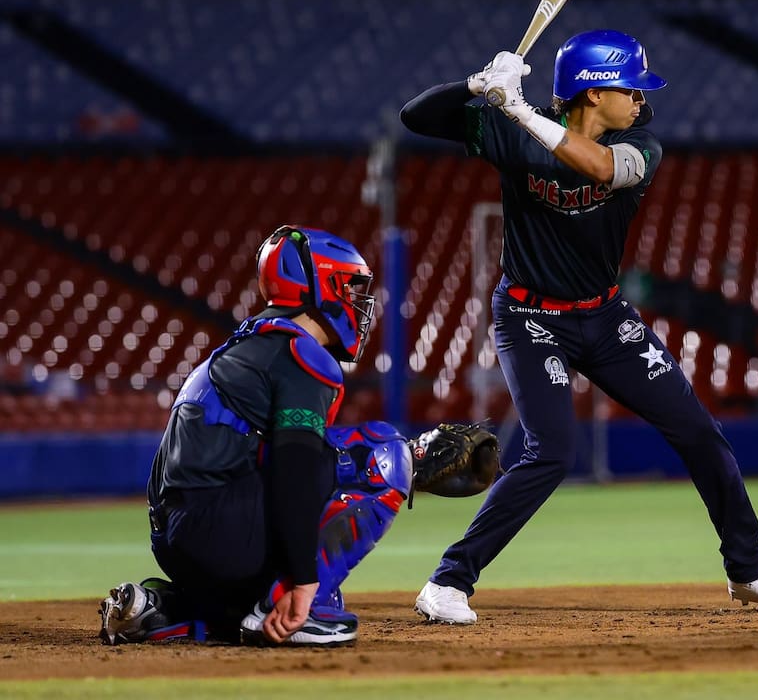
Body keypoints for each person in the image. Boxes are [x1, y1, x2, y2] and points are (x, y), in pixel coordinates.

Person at [398, 29, 758, 624]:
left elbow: (596, 166)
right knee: (551, 452)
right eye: (631, 89)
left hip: (604, 315)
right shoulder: (513, 130)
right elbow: (415, 117)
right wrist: (477, 83)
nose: (642, 100)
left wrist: (517, 109)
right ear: (593, 93)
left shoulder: (639, 144)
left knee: (699, 432)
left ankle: (748, 571)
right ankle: (447, 581)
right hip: (530, 316)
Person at [98, 224, 497, 647]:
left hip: (178, 539)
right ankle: (293, 606)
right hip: (217, 531)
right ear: (320, 285)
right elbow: (296, 472)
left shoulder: (248, 345)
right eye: (349, 286)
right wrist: (303, 579)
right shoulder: (300, 353)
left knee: (333, 459)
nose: (358, 300)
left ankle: (163, 610)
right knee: (383, 450)